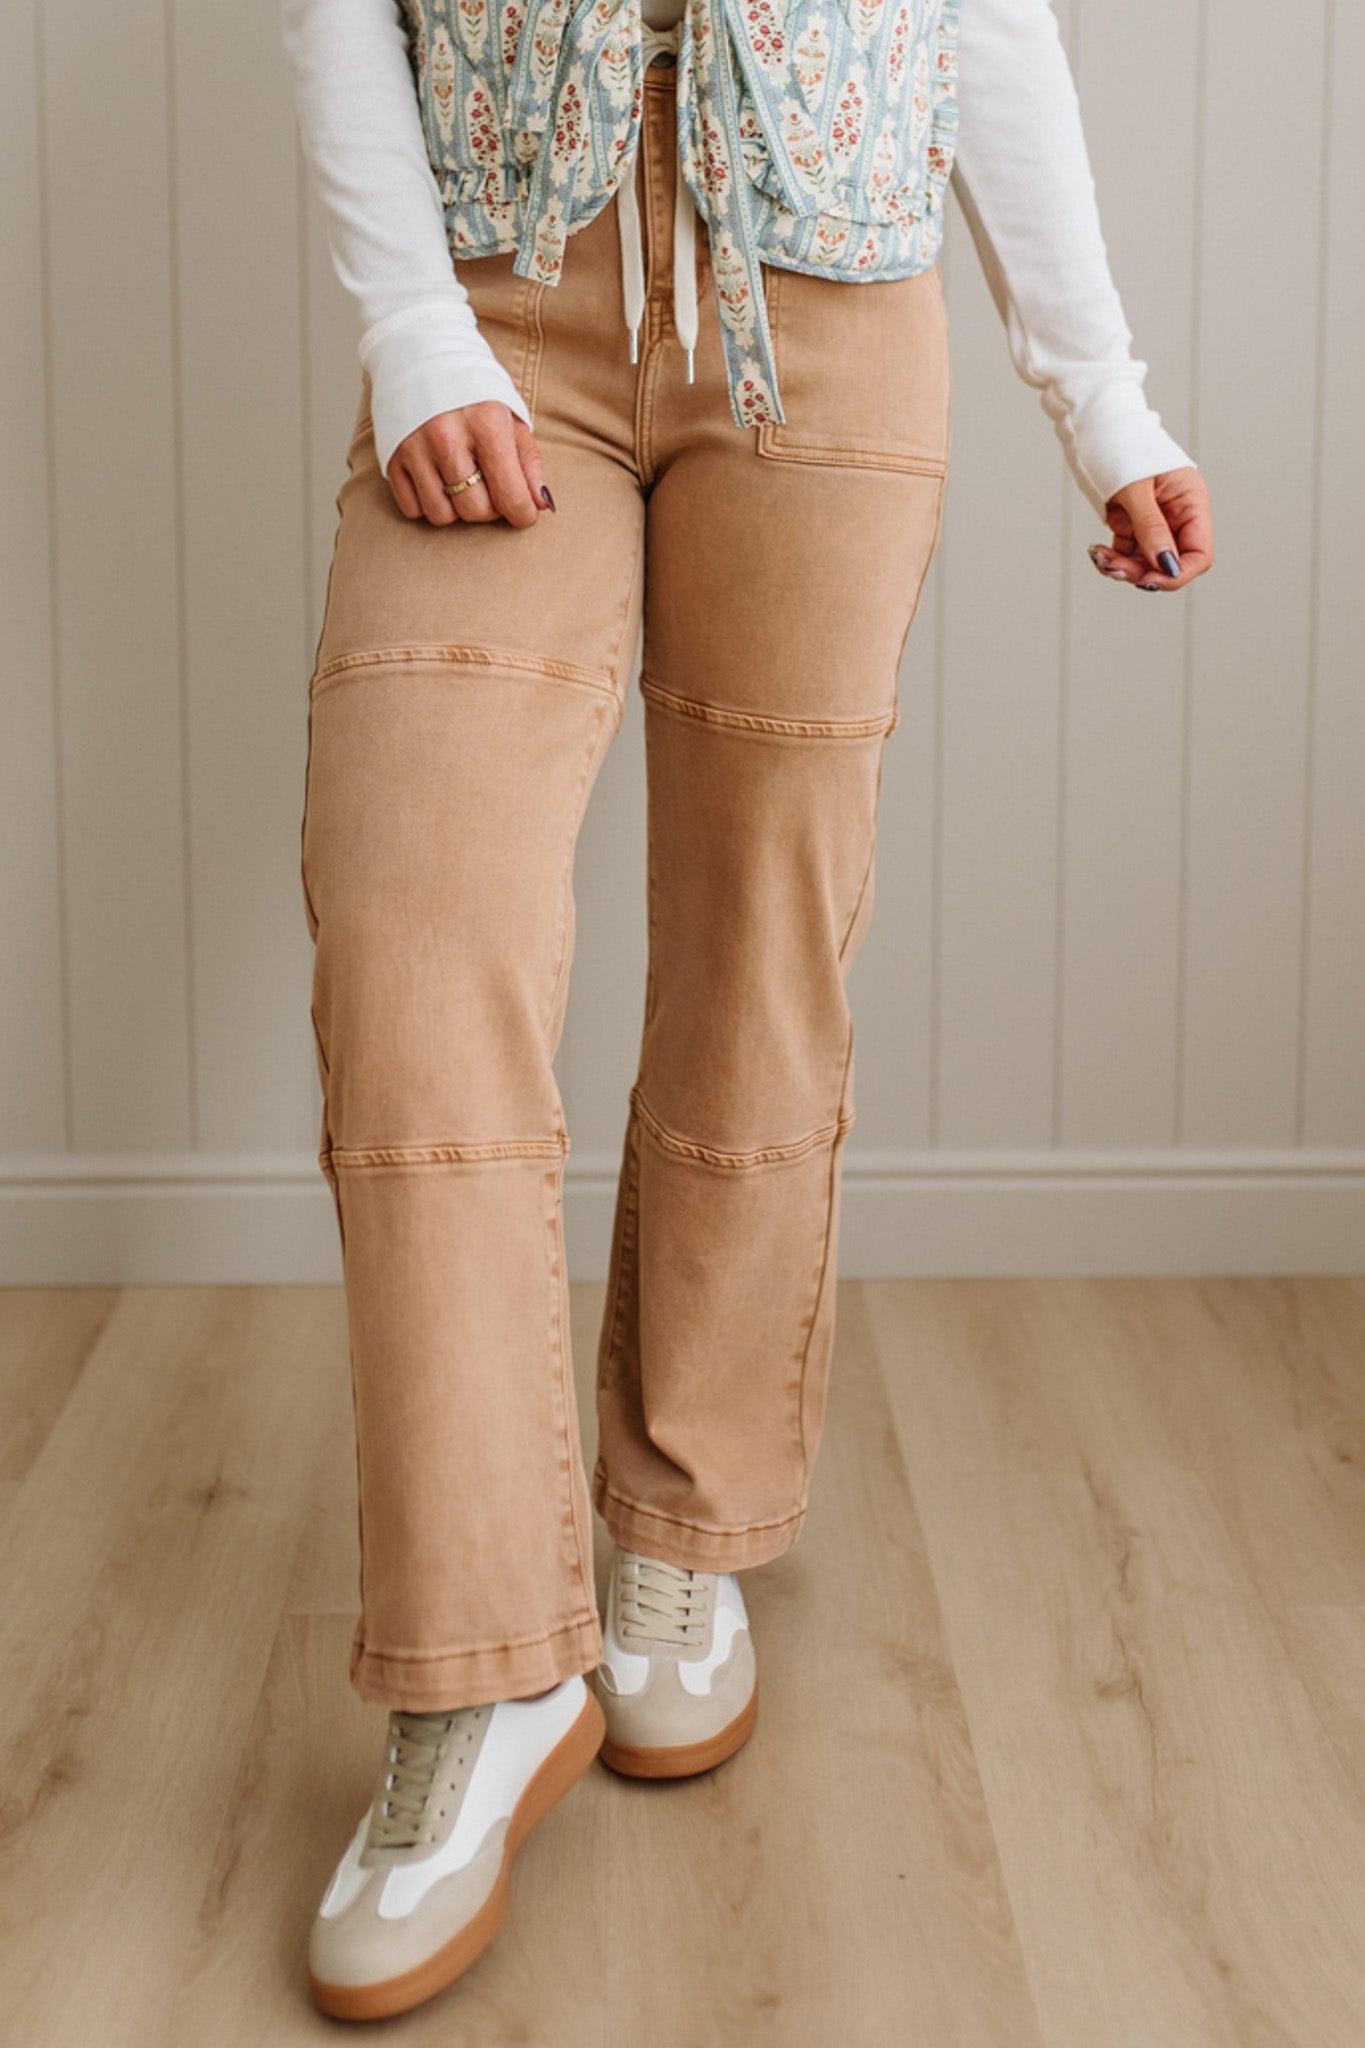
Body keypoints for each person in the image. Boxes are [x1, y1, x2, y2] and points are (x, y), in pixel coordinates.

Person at [280, 0, 1214, 2020]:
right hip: (501, 305)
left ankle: (678, 1520)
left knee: (758, 941)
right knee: (409, 924)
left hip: (833, 298)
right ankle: (484, 1669)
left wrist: (1101, 394)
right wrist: (414, 330)